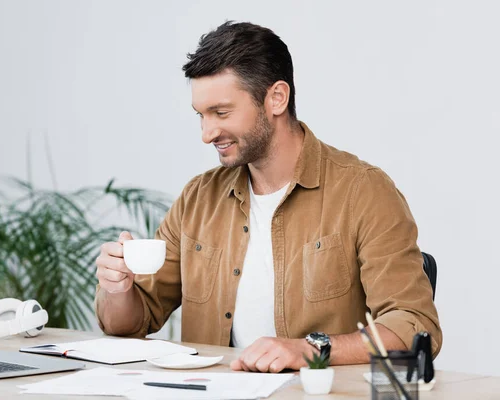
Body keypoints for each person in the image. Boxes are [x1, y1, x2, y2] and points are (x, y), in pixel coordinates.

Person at [95, 21, 442, 373]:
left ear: (276, 98)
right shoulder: (199, 199)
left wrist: (311, 350)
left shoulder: (363, 192)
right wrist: (118, 287)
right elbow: (130, 322)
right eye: (201, 115)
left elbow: (414, 324)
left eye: (221, 112)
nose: (207, 133)